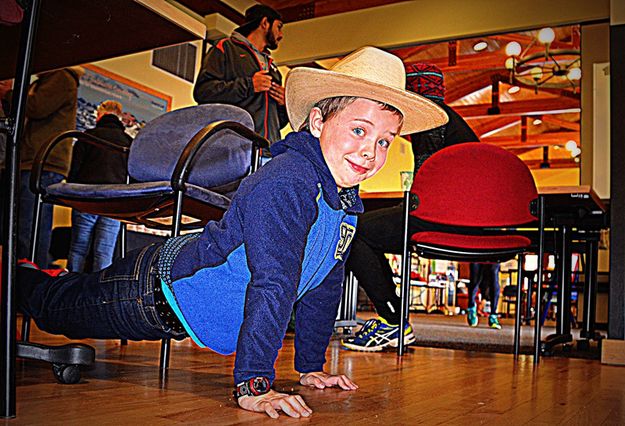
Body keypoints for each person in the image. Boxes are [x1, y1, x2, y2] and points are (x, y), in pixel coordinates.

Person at [17, 46, 448, 418]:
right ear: (317, 123)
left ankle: (35, 275)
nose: (371, 153)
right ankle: (16, 276)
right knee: (55, 309)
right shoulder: (288, 181)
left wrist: (309, 365)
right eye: (359, 130)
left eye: (385, 141)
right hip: (156, 290)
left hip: (178, 302)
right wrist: (254, 384)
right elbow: (273, 283)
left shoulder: (346, 201)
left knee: (71, 292)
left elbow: (323, 284)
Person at [343, 63, 480, 352]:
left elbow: (425, 193)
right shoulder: (455, 125)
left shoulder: (433, 123)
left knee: (355, 232)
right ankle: (392, 319)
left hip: (442, 220)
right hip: (468, 221)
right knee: (370, 223)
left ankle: (393, 321)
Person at [2, 67, 84, 267]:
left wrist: (8, 94)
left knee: (31, 224)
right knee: (29, 223)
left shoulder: (61, 77)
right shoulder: (49, 80)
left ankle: (31, 274)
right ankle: (28, 271)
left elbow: (36, 107)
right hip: (38, 161)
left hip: (42, 160)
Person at [193, 4, 288, 145]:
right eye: (279, 27)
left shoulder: (273, 69)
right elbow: (203, 92)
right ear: (265, 23)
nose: (280, 35)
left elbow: (277, 123)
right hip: (234, 148)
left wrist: (283, 106)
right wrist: (249, 85)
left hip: (267, 151)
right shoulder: (225, 48)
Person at [66, 100, 133, 272]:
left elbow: (75, 170)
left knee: (78, 249)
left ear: (101, 114)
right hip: (114, 203)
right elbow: (132, 176)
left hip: (87, 199)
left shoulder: (88, 135)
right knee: (104, 253)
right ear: (118, 116)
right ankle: (99, 295)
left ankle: (68, 290)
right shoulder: (128, 142)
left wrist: (72, 193)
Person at [467, 263, 502, 329]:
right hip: (477, 254)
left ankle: (493, 315)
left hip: (494, 254)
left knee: (494, 276)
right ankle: (471, 307)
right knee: (474, 279)